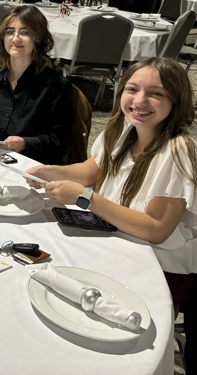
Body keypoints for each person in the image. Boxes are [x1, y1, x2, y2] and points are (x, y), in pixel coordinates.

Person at [25, 57, 197, 369]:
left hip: (161, 266)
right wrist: (53, 171)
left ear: (177, 100)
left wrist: (86, 199)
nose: (140, 101)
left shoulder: (179, 149)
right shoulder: (123, 128)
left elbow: (157, 229)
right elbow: (92, 170)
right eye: (132, 89)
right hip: (116, 242)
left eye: (155, 94)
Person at [0, 4, 72, 165]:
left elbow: (61, 140)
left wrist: (25, 143)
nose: (16, 38)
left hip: (33, 163)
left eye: (25, 32)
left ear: (38, 38)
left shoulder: (56, 85)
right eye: (10, 32)